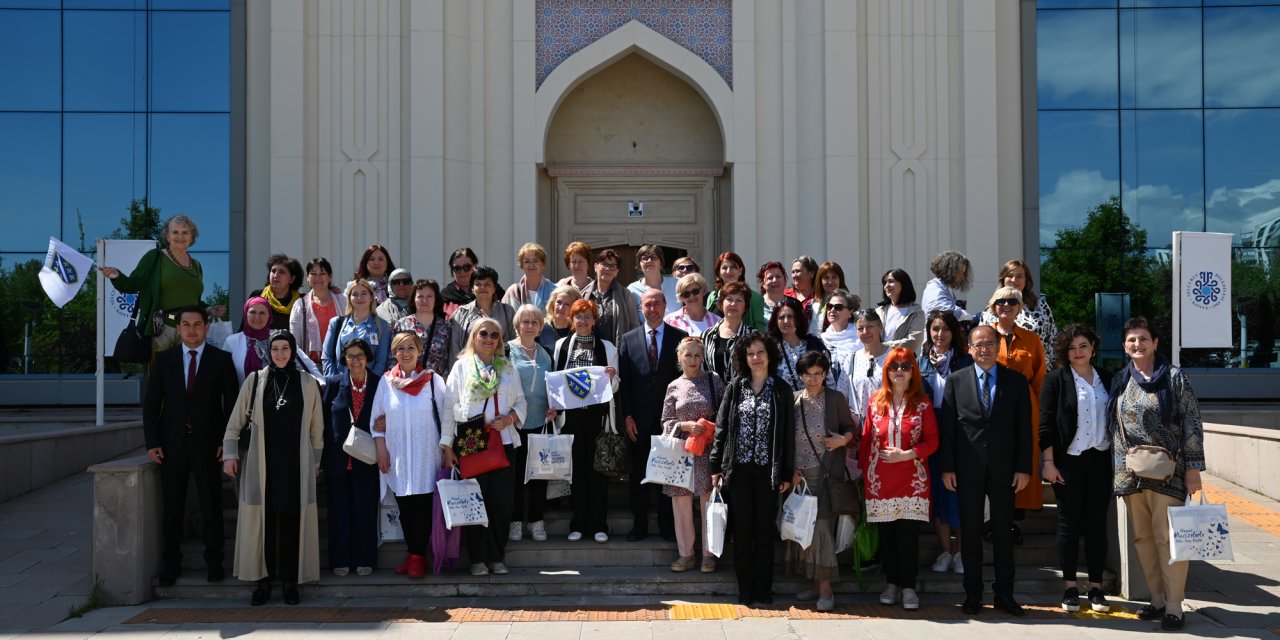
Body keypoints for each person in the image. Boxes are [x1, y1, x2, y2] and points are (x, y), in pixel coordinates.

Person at [1109, 317, 1204, 631]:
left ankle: (1175, 605)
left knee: (1168, 539)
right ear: (1125, 346)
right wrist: (1120, 471)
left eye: (1143, 339)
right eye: (1131, 340)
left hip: (1170, 473)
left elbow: (1192, 423)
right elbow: (1116, 429)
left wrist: (1193, 469)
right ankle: (1157, 599)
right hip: (1133, 473)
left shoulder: (1175, 378)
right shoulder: (1121, 379)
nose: (1137, 345)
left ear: (1155, 343)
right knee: (1142, 539)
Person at [221, 331, 325, 606]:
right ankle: (262, 582)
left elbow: (317, 429)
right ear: (269, 351)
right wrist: (230, 454)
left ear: (293, 351)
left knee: (292, 524)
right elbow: (234, 423)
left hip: (296, 465)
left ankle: (291, 582)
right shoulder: (255, 381)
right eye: (275, 349)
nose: (280, 354)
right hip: (262, 465)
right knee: (263, 525)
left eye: (285, 349)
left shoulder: (307, 382)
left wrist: (316, 461)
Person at [939, 325, 1033, 617]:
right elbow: (949, 429)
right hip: (967, 470)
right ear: (969, 348)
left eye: (989, 344)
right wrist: (948, 467)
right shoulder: (956, 381)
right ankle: (973, 595)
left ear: (998, 346)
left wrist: (1023, 468)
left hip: (1005, 470)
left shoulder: (1016, 382)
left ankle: (1005, 594)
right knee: (969, 534)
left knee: (1003, 533)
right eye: (978, 344)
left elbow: (1024, 429)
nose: (984, 349)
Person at [143, 305, 239, 586]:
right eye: (186, 324)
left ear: (206, 327)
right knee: (173, 508)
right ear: (179, 328)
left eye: (197, 324)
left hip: (209, 444)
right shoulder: (163, 360)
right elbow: (150, 405)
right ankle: (171, 565)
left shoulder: (222, 360)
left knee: (211, 505)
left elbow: (231, 404)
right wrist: (152, 442)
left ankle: (215, 563)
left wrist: (227, 440)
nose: (192, 330)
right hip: (171, 446)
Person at [709, 333, 795, 606]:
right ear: (744, 359)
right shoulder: (735, 387)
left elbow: (788, 435)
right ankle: (745, 590)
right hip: (739, 471)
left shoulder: (781, 389)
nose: (756, 358)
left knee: (765, 531)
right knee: (743, 531)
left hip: (768, 472)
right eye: (750, 354)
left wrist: (786, 472)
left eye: (760, 352)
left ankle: (764, 589)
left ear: (770, 355)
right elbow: (721, 428)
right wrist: (716, 465)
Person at [443, 318, 528, 575]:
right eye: (484, 333)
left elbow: (522, 401)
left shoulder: (508, 368)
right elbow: (449, 407)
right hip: (472, 442)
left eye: (494, 335)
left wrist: (510, 418)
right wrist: (447, 446)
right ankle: (478, 558)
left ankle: (496, 556)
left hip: (504, 442)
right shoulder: (461, 367)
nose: (489, 338)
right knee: (475, 503)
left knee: (501, 504)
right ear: (474, 337)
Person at [1039, 324, 1114, 614]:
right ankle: (1070, 587)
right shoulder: (1055, 380)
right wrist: (1048, 462)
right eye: (1072, 348)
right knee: (1069, 525)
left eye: (1083, 345)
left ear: (1093, 347)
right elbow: (1045, 424)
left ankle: (1096, 588)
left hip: (1100, 460)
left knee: (1097, 525)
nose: (1078, 352)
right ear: (1064, 352)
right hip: (1068, 461)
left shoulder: (1108, 379)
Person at [860, 347, 938, 612]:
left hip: (912, 481)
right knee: (888, 537)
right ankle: (891, 584)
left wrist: (908, 454)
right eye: (894, 367)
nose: (900, 371)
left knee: (907, 537)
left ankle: (908, 587)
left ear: (913, 371)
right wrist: (864, 475)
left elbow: (933, 440)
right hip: (880, 481)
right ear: (887, 371)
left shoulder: (923, 403)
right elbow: (867, 440)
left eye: (905, 366)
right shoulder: (874, 401)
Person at [371, 331, 452, 579]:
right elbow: (376, 421)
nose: (405, 353)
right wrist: (381, 449)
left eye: (410, 348)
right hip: (398, 455)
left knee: (424, 505)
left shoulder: (432, 381)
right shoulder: (386, 382)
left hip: (426, 453)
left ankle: (417, 557)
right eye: (400, 349)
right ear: (393, 354)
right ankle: (413, 553)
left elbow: (447, 416)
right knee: (404, 505)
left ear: (419, 351)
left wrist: (448, 449)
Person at [787, 350, 857, 612]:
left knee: (823, 530)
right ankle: (813, 582)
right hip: (799, 476)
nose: (813, 379)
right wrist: (790, 471)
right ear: (801, 375)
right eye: (808, 374)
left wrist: (843, 440)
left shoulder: (835, 398)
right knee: (803, 531)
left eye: (819, 374)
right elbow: (785, 439)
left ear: (826, 374)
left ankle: (826, 587)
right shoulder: (793, 401)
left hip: (826, 474)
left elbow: (852, 429)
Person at [618, 289, 687, 542]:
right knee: (639, 475)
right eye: (647, 304)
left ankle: (667, 526)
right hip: (639, 420)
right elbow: (625, 383)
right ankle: (640, 525)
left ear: (665, 306)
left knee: (668, 475)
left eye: (657, 303)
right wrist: (627, 416)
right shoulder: (628, 339)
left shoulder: (680, 338)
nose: (652, 308)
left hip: (670, 421)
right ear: (641, 308)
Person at [551, 300, 620, 543]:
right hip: (571, 418)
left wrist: (611, 377)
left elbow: (616, 385)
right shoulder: (561, 345)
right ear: (571, 320)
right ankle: (578, 524)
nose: (583, 321)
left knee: (598, 471)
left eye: (588, 317)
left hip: (597, 417)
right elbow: (557, 381)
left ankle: (599, 525)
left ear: (594, 320)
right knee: (577, 471)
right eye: (578, 317)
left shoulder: (608, 347)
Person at [101, 215, 218, 354]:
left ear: (192, 237)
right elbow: (133, 285)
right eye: (175, 232)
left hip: (190, 331)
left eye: (185, 232)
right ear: (167, 236)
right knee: (160, 374)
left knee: (188, 374)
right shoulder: (155, 257)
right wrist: (117, 276)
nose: (180, 236)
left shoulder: (196, 265)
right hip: (161, 329)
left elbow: (194, 301)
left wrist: (209, 308)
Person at [660, 337, 725, 574]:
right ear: (680, 357)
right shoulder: (674, 386)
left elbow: (725, 414)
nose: (693, 360)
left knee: (708, 503)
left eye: (697, 355)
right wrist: (685, 426)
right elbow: (666, 421)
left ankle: (709, 555)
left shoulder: (713, 380)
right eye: (688, 355)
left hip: (707, 451)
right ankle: (686, 554)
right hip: (681, 453)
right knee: (681, 504)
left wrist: (708, 426)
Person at [321, 338, 382, 578]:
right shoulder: (334, 383)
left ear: (367, 358)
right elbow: (324, 421)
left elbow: (389, 412)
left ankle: (365, 558)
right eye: (350, 356)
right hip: (338, 459)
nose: (355, 361)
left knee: (365, 511)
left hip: (367, 458)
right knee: (339, 513)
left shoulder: (379, 384)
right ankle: (340, 559)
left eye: (359, 356)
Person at [988, 286, 1047, 523]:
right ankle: (991, 519)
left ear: (1019, 308)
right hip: (991, 407)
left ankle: (1015, 519)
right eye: (1001, 302)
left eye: (1012, 302)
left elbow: (1040, 377)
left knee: (1022, 458)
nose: (1006, 306)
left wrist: (1041, 413)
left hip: (1025, 408)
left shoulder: (1031, 339)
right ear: (993, 307)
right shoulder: (984, 336)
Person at [918, 311, 971, 576]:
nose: (940, 335)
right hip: (930, 431)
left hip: (959, 432)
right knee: (937, 494)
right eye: (935, 329)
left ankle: (961, 552)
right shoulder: (920, 362)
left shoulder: (965, 362)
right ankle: (945, 552)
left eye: (946, 329)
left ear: (954, 332)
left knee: (958, 494)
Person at [507, 304, 558, 543]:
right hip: (513, 424)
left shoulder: (546, 352)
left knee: (539, 476)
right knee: (515, 477)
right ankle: (515, 522)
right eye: (525, 322)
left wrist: (553, 406)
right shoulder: (506, 351)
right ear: (517, 325)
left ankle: (536, 522)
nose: (529, 326)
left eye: (534, 322)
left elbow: (553, 387)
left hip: (540, 423)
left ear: (540, 327)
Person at [977, 260, 1059, 369]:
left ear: (1026, 281)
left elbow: (1053, 339)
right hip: (999, 373)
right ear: (1003, 280)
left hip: (1037, 373)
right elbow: (980, 344)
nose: (1014, 280)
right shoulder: (990, 311)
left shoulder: (1040, 306)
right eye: (1010, 276)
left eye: (1019, 276)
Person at [322, 280, 393, 377]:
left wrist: (369, 384)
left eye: (364, 293)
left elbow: (381, 362)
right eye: (355, 294)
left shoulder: (382, 325)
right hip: (340, 385)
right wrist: (335, 381)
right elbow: (327, 357)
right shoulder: (336, 323)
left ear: (371, 297)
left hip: (368, 386)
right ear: (349, 298)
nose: (359, 298)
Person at [289, 258, 347, 367]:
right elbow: (294, 343)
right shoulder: (300, 305)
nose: (318, 278)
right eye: (313, 274)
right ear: (307, 277)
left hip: (339, 366)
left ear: (330, 277)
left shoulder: (342, 301)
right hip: (310, 368)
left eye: (323, 273)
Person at [450, 265, 516, 357]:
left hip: (501, 366)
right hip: (469, 367)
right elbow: (454, 349)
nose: (482, 287)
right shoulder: (461, 313)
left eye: (487, 284)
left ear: (494, 288)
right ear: (472, 288)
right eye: (478, 284)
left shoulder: (508, 311)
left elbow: (515, 344)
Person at [393, 279, 453, 377]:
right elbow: (392, 358)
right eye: (420, 296)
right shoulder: (402, 325)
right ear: (413, 299)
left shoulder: (446, 327)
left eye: (429, 296)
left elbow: (449, 361)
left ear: (436, 299)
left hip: (435, 386)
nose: (424, 300)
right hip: (407, 384)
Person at [581, 249, 640, 347]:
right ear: (596, 267)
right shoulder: (583, 294)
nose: (608, 269)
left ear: (617, 271)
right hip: (588, 351)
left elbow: (634, 326)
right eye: (604, 264)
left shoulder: (625, 295)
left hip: (615, 353)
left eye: (612, 266)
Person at [768, 296, 827, 392]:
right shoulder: (771, 349)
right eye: (781, 317)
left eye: (790, 316)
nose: (786, 321)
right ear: (776, 322)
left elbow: (829, 380)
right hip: (783, 405)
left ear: (798, 319)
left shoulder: (814, 345)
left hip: (813, 404)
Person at [700, 281, 754, 382]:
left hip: (743, 395)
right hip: (713, 395)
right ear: (721, 303)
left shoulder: (753, 337)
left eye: (739, 300)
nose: (733, 304)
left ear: (745, 307)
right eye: (729, 299)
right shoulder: (707, 335)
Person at [847, 310, 890, 424]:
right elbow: (842, 393)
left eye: (870, 326)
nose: (865, 332)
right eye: (860, 328)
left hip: (887, 424)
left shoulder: (894, 356)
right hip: (859, 428)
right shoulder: (851, 360)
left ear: (880, 327)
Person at [706, 252, 766, 331]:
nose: (728, 271)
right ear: (719, 273)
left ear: (740, 271)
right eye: (724, 268)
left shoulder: (755, 298)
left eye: (733, 267)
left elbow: (760, 330)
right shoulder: (712, 296)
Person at [876, 268, 925, 355]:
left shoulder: (916, 312)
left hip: (901, 362)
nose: (887, 285)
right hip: (878, 360)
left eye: (891, 281)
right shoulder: (879, 311)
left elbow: (912, 342)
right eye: (885, 282)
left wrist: (881, 346)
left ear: (903, 284)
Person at [225, 297, 274, 384]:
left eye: (262, 313)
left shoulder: (278, 338)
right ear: (245, 314)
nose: (257, 317)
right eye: (252, 312)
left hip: (272, 396)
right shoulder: (231, 341)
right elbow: (223, 374)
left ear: (269, 316)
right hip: (240, 396)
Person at [627, 244, 681, 317]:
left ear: (661, 262)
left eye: (654, 257)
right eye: (645, 258)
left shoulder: (677, 284)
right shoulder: (632, 290)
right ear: (639, 264)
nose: (649, 261)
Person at [922, 250, 973, 322]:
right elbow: (942, 309)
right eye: (960, 272)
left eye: (963, 273)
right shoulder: (934, 287)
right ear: (949, 270)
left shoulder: (946, 288)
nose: (962, 277)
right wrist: (970, 317)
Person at [503, 242, 558, 309]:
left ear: (543, 264)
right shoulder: (513, 292)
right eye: (526, 261)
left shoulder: (554, 291)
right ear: (521, 265)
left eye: (535, 261)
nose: (531, 265)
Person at [258, 255, 303, 330]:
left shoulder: (301, 301)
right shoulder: (257, 297)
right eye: (273, 271)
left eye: (282, 272)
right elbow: (244, 329)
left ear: (292, 279)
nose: (276, 275)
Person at [819, 289, 862, 368]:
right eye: (829, 306)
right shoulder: (821, 339)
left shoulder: (860, 338)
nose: (832, 310)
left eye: (838, 307)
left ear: (850, 313)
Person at [808, 261, 849, 335]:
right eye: (826, 278)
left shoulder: (849, 304)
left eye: (834, 277)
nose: (830, 282)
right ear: (820, 281)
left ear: (840, 280)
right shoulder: (811, 305)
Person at [540, 285, 582, 350]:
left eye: (567, 304)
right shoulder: (541, 328)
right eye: (559, 302)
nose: (561, 308)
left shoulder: (579, 331)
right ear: (553, 303)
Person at [441, 247, 478, 319]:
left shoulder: (486, 290)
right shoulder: (444, 295)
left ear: (475, 266)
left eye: (467, 267)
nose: (462, 272)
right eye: (457, 268)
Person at [785, 256, 819, 327]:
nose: (794, 275)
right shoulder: (785, 294)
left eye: (798, 271)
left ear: (811, 273)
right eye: (793, 272)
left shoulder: (819, 296)